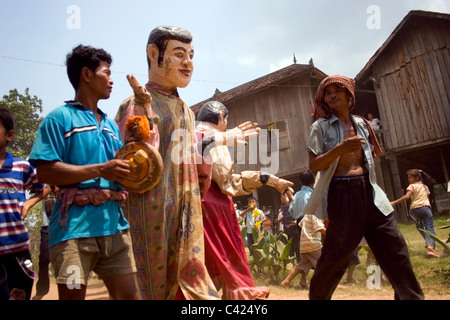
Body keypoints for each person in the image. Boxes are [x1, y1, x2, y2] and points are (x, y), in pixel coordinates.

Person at [114, 26, 219, 300]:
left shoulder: (185, 108)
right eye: (179, 54)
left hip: (186, 205)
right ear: (153, 54)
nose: (188, 63)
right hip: (149, 208)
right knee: (151, 282)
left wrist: (201, 179)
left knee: (190, 279)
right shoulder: (133, 105)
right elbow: (129, 160)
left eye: (191, 55)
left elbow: (195, 157)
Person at [29, 45, 139, 300]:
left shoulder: (112, 126)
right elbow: (45, 171)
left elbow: (121, 172)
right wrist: (101, 169)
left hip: (114, 226)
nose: (112, 80)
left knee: (131, 297)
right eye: (107, 72)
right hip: (73, 231)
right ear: (86, 75)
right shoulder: (59, 118)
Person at [304, 74, 424, 300]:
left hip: (371, 193)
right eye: (328, 92)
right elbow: (313, 165)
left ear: (349, 95)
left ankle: (411, 298)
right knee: (334, 257)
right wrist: (340, 148)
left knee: (396, 250)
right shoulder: (320, 127)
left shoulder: (362, 124)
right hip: (343, 195)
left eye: (337, 90)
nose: (332, 95)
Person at [0, 107, 49, 300]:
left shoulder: (21, 166)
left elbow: (44, 188)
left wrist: (28, 203)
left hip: (19, 251)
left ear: (9, 135)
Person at [390, 169, 439, 258]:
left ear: (416, 178)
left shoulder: (411, 186)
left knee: (420, 227)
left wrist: (394, 202)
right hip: (426, 209)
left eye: (410, 177)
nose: (409, 179)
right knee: (429, 228)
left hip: (415, 210)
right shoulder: (425, 187)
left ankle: (430, 246)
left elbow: (407, 196)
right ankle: (430, 246)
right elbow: (427, 198)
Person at [281, 213, 326, 288]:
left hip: (304, 244)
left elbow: (300, 224)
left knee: (304, 264)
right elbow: (320, 228)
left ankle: (288, 281)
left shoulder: (307, 214)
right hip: (313, 244)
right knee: (325, 262)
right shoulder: (315, 215)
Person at [32, 185, 57, 300]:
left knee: (68, 260)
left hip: (65, 226)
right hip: (47, 226)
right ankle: (41, 291)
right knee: (44, 259)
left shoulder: (66, 184)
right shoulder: (44, 184)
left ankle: (73, 290)